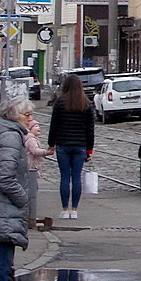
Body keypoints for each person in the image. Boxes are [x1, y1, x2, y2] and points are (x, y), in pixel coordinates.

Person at [0, 96, 31, 281]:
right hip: (2, 208)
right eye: (27, 115)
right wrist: (23, 199)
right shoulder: (10, 137)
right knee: (1, 259)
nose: (30, 119)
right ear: (14, 116)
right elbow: (5, 177)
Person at [48, 74, 95, 221]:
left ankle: (64, 209)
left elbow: (53, 125)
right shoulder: (86, 104)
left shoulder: (60, 103)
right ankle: (74, 210)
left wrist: (51, 144)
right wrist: (89, 149)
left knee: (64, 177)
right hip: (80, 146)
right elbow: (90, 129)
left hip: (63, 145)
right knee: (76, 177)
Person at [22, 106, 53, 229]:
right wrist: (46, 152)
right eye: (36, 126)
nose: (38, 128)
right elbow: (35, 151)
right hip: (31, 168)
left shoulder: (30, 138)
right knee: (32, 190)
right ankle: (30, 216)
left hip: (30, 168)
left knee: (32, 189)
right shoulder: (31, 140)